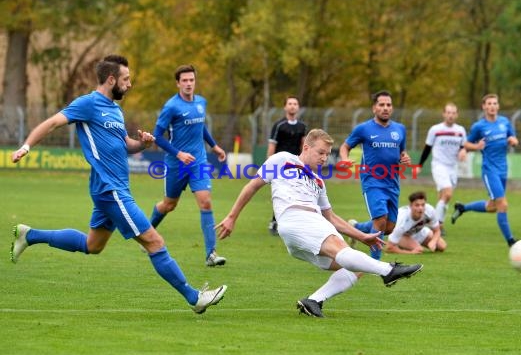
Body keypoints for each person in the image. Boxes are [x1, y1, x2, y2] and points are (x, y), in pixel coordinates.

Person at [10, 55, 226, 314]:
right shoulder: (88, 104)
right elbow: (53, 122)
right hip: (110, 189)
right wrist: (26, 146)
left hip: (112, 189)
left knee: (93, 245)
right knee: (154, 242)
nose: (130, 84)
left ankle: (30, 235)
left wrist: (143, 144)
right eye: (126, 79)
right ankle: (194, 298)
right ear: (111, 79)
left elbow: (126, 145)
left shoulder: (115, 109)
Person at [215, 129, 423, 318]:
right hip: (296, 218)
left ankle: (314, 301)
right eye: (321, 153)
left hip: (302, 232)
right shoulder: (282, 159)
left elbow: (331, 217)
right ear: (306, 147)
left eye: (327, 154)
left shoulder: (318, 181)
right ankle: (389, 271)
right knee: (347, 253)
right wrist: (232, 217)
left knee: (357, 267)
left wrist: (361, 236)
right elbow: (252, 185)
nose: (324, 158)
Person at [149, 65, 227, 267]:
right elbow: (157, 136)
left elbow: (201, 127)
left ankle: (211, 254)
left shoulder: (201, 102)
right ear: (178, 83)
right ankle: (147, 233)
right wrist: (179, 153)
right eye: (184, 80)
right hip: (176, 164)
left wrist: (215, 147)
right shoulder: (171, 107)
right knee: (169, 205)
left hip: (198, 161)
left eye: (191, 80)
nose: (188, 84)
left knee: (206, 202)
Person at [339, 90, 411, 260]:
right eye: (381, 105)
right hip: (372, 181)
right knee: (380, 223)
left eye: (388, 105)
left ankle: (356, 227)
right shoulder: (364, 129)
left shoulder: (400, 129)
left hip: (393, 182)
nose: (385, 108)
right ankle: (374, 264)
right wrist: (344, 159)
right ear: (374, 108)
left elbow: (402, 152)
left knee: (389, 227)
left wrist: (404, 157)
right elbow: (345, 147)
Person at [451, 93, 519, 247]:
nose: (492, 106)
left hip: (503, 170)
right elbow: (466, 144)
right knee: (503, 204)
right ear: (484, 107)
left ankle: (463, 208)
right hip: (489, 171)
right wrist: (475, 147)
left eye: (495, 103)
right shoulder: (479, 126)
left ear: (498, 106)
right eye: (489, 103)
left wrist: (513, 141)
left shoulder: (505, 122)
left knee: (493, 206)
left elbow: (514, 138)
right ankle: (511, 242)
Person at [417, 103, 467, 235]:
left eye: (453, 113)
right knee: (448, 193)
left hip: (453, 167)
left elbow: (463, 147)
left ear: (456, 115)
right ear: (444, 114)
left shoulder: (461, 130)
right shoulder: (435, 129)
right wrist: (420, 165)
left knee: (443, 197)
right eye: (448, 112)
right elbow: (427, 148)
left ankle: (433, 222)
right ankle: (437, 225)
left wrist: (463, 151)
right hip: (439, 165)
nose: (450, 115)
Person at [349, 191, 446, 254]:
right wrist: (410, 252)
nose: (421, 208)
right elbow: (389, 248)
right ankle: (355, 227)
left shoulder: (430, 210)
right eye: (417, 205)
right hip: (403, 234)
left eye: (422, 205)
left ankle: (355, 226)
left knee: (442, 246)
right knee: (419, 249)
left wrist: (433, 242)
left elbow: (437, 230)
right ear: (410, 206)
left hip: (418, 231)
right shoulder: (402, 220)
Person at [266, 96, 308, 235]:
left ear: (298, 107)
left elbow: (304, 146)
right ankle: (274, 221)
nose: (292, 106)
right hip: (280, 165)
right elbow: (272, 146)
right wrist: (269, 166)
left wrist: (305, 164)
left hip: (295, 164)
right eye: (290, 103)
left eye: (295, 104)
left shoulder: (302, 126)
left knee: (296, 192)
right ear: (285, 107)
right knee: (281, 192)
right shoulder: (279, 125)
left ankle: (291, 222)